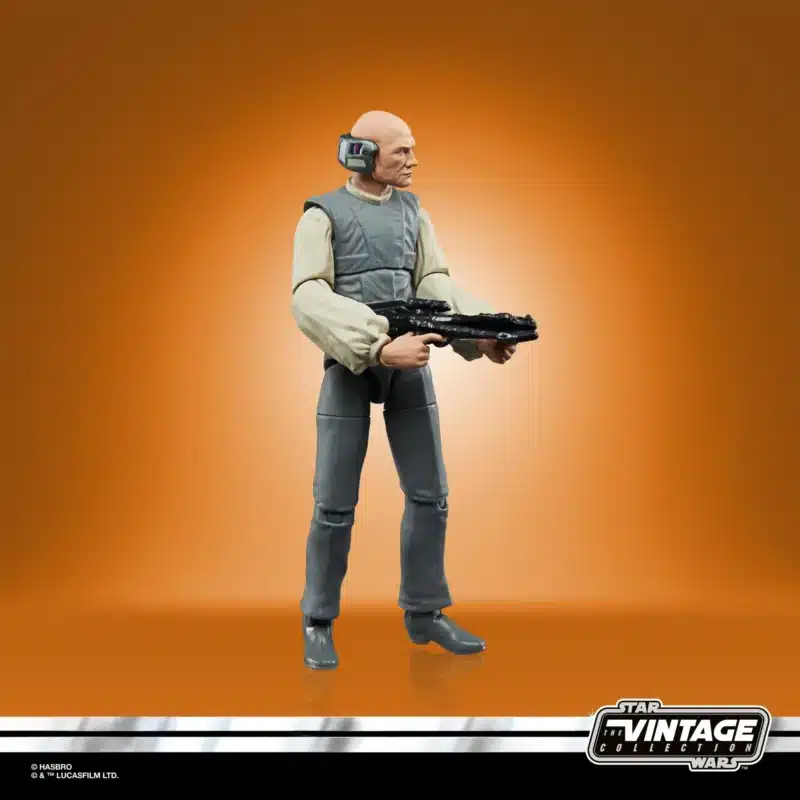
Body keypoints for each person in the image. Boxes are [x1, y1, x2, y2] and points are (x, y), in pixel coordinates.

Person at [291, 110, 516, 669]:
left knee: (429, 493)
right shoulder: (322, 215)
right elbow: (308, 296)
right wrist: (375, 345)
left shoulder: (415, 212)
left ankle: (425, 612)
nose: (413, 160)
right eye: (402, 152)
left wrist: (479, 333)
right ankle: (318, 620)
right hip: (351, 365)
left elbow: (434, 282)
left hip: (411, 361)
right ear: (365, 154)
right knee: (334, 502)